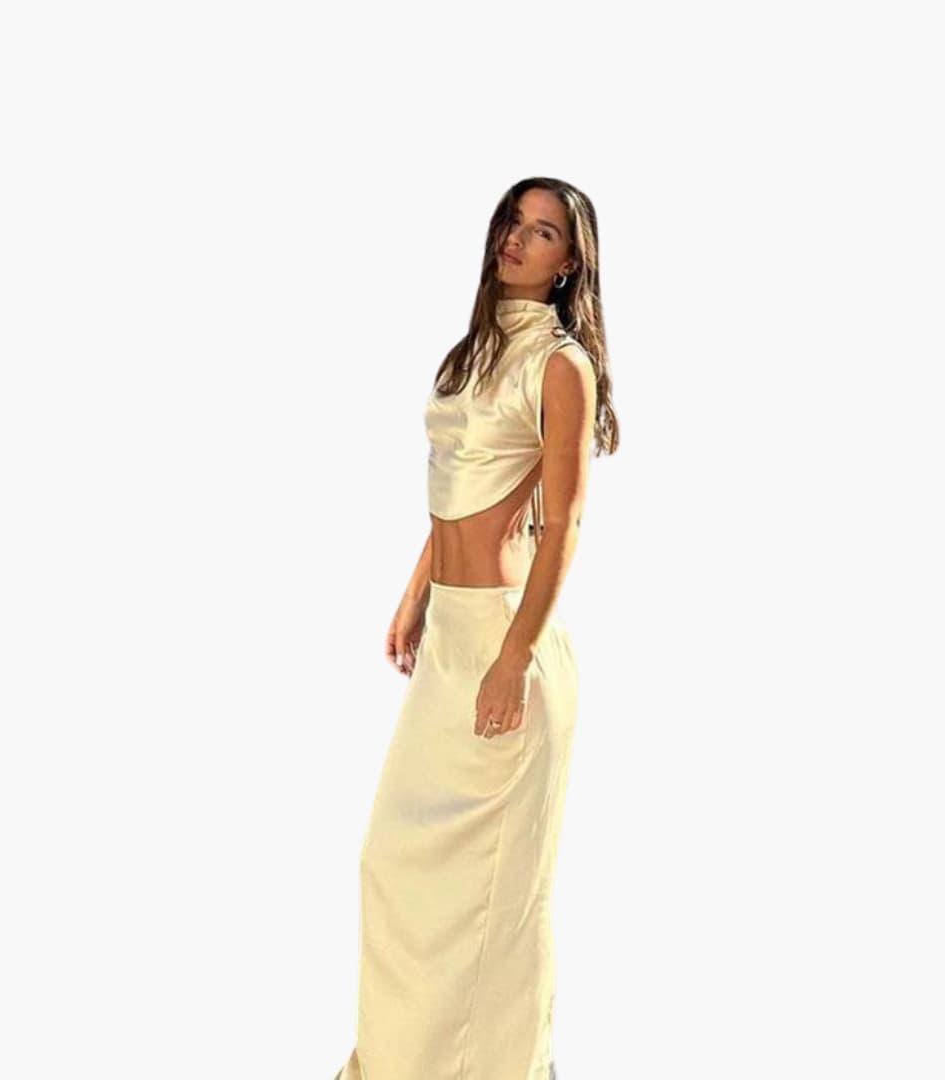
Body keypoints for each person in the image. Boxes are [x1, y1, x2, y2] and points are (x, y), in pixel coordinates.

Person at [333, 177, 619, 1080]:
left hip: (507, 644)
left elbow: (564, 524)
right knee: (393, 868)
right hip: (451, 643)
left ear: (570, 263)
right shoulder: (469, 355)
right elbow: (457, 482)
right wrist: (416, 592)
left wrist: (513, 658)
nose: (518, 240)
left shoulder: (560, 365)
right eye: (513, 222)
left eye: (544, 232)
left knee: (493, 902)